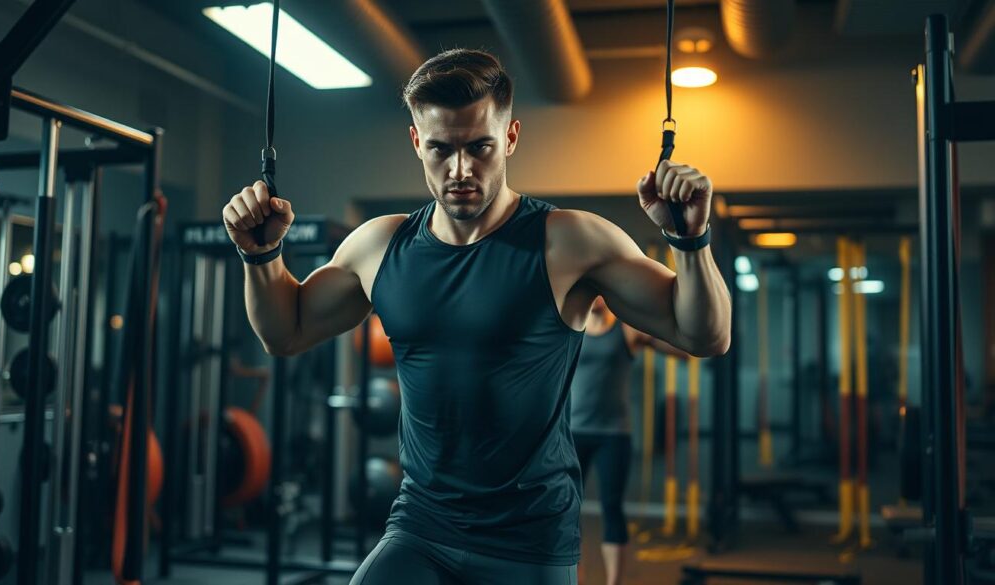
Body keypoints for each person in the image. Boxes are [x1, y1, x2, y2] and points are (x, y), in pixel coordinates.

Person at [222, 48, 731, 585]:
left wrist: (690, 239)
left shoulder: (569, 240)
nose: (460, 170)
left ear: (510, 137)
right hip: (420, 525)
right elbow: (286, 332)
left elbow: (704, 334)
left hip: (529, 539)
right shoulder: (380, 245)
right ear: (417, 142)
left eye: (479, 147)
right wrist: (261, 256)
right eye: (440, 149)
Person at [571, 296, 688, 585]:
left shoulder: (628, 330)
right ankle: (573, 577)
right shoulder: (573, 327)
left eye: (599, 290)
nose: (594, 295)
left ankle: (614, 582)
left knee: (612, 507)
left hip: (614, 433)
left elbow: (685, 351)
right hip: (572, 432)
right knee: (567, 509)